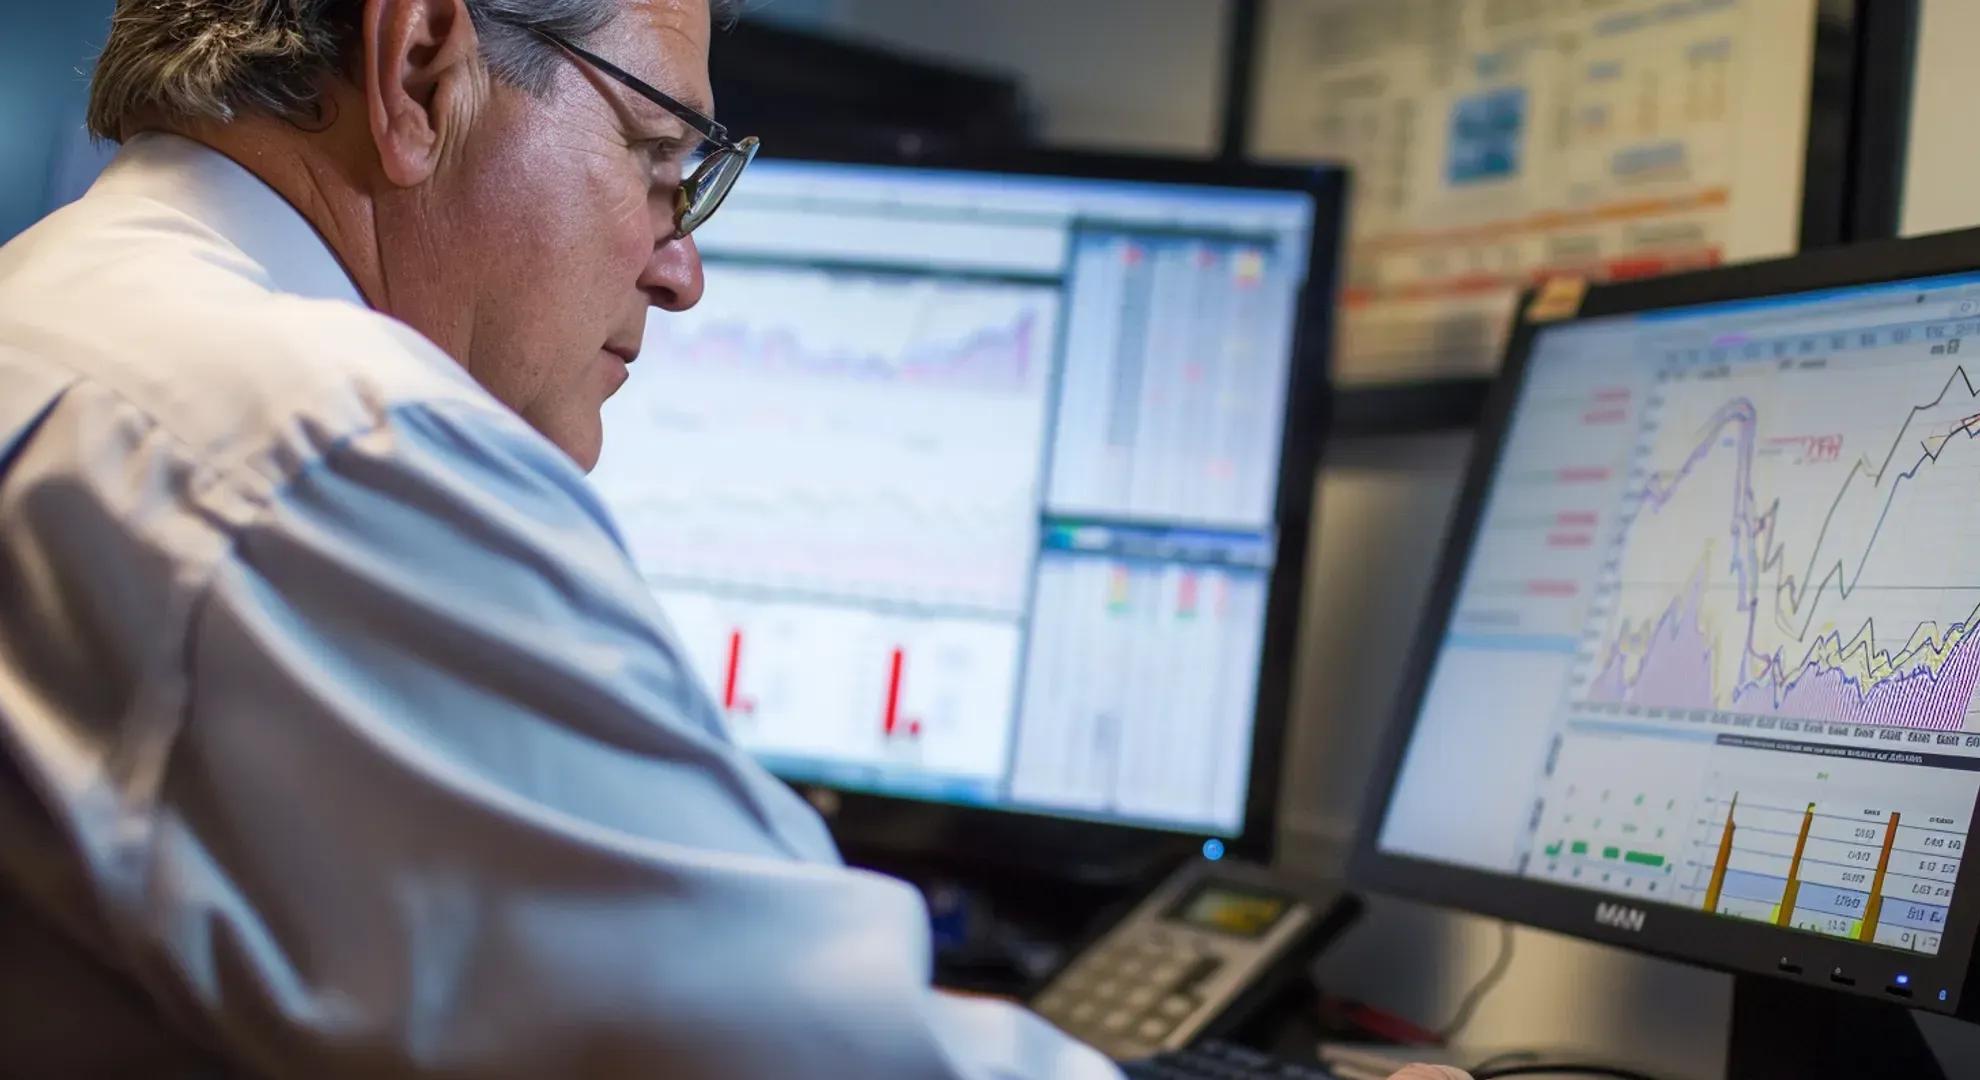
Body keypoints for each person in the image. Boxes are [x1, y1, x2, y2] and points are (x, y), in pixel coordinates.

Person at [0, 1, 1466, 1077]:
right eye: (660, 156)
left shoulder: (61, 315)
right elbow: (780, 1056)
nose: (683, 268)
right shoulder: (322, 437)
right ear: (418, 68)